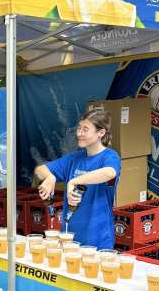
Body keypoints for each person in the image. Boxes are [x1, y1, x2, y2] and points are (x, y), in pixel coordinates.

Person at [34, 105, 121, 249]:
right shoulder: (74, 159)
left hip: (98, 238)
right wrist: (50, 177)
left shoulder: (109, 157)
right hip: (69, 237)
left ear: (101, 133)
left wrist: (74, 181)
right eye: (79, 128)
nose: (79, 133)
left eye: (85, 129)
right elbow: (39, 170)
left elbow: (109, 172)